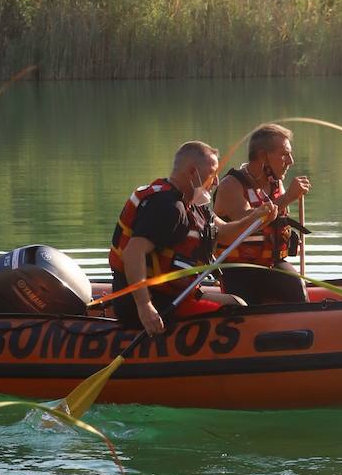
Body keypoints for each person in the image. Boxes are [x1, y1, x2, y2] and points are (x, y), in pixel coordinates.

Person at [108, 140, 277, 334]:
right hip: (152, 302)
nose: (216, 182)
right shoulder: (168, 207)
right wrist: (145, 307)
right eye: (212, 174)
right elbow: (133, 254)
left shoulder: (194, 204)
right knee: (235, 309)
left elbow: (223, 234)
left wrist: (256, 218)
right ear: (191, 172)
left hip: (173, 294)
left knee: (237, 302)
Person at [213, 123, 310, 304]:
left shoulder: (276, 184)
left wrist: (286, 196)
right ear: (262, 156)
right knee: (245, 305)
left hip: (272, 264)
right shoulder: (231, 185)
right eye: (284, 154)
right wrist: (288, 197)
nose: (290, 161)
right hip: (238, 268)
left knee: (297, 288)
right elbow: (246, 223)